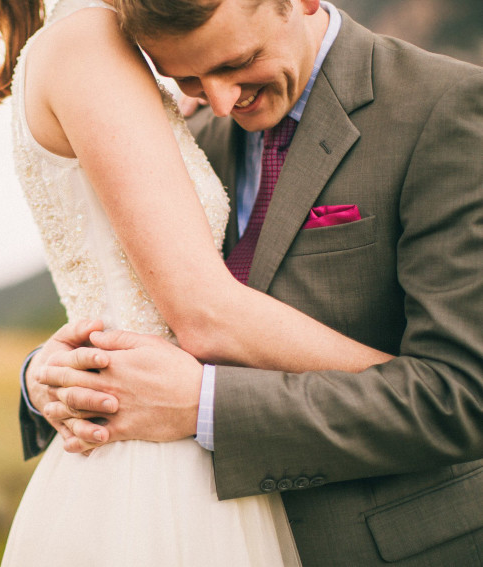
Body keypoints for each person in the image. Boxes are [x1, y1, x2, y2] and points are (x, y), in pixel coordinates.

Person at [25, 0, 483, 565]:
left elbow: (464, 399)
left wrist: (205, 404)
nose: (219, 101)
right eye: (187, 77)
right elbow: (152, 305)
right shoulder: (193, 133)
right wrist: (47, 376)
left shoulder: (445, 107)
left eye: (238, 62)